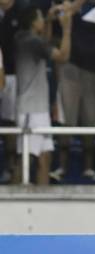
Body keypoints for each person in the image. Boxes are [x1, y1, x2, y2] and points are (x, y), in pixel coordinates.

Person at [52, 0, 95, 182]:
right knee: (67, 119)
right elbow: (55, 28)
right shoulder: (67, 6)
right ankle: (61, 167)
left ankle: (89, 167)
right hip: (70, 69)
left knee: (90, 121)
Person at [14, 4, 72, 185]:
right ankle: (11, 200)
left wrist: (47, 19)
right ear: (33, 22)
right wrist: (67, 28)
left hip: (37, 107)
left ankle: (43, 200)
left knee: (45, 156)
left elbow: (44, 42)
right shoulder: (32, 42)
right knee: (26, 158)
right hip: (31, 109)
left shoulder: (23, 38)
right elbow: (63, 56)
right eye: (40, 18)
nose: (42, 22)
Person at [0, 0, 24, 183]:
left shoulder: (20, 12)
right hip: (3, 71)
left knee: (11, 122)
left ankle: (11, 165)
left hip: (15, 75)